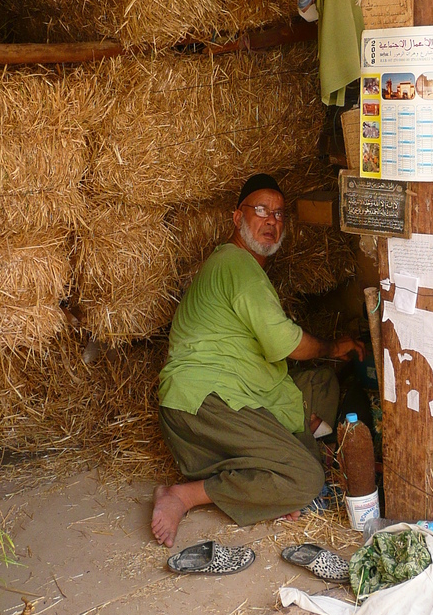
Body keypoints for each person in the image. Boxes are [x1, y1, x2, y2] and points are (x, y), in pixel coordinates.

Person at [152, 173, 364, 547]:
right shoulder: (236, 265)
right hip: (203, 401)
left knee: (321, 383)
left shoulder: (245, 268)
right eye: (262, 210)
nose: (272, 222)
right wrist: (333, 347)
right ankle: (184, 496)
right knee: (307, 478)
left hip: (240, 390)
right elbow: (285, 342)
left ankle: (274, 483)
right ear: (238, 218)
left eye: (280, 214)